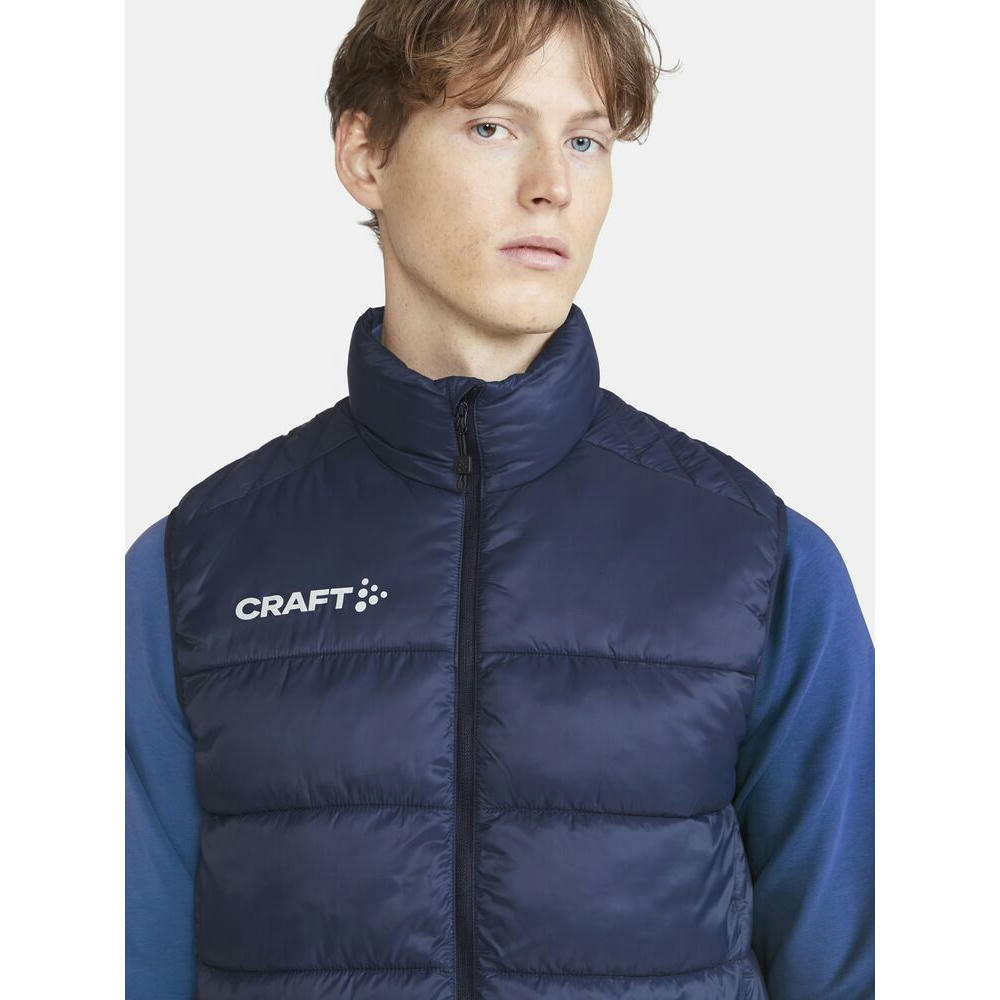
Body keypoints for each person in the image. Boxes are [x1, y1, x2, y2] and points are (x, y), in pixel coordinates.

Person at [126, 2, 874, 998]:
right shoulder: (192, 570)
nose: (551, 184)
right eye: (492, 126)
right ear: (365, 155)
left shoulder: (760, 561)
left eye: (586, 140)